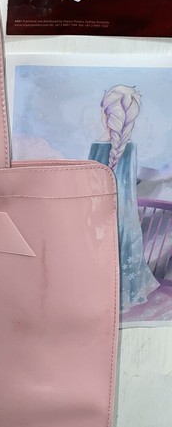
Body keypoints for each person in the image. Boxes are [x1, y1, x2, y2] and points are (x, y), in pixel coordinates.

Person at [88, 84, 159, 312]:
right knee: (126, 251)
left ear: (106, 114)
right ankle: (124, 296)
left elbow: (91, 184)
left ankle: (104, 296)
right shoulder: (130, 147)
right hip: (126, 213)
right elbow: (128, 185)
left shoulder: (97, 146)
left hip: (102, 211)